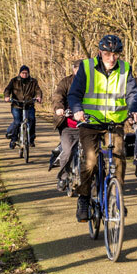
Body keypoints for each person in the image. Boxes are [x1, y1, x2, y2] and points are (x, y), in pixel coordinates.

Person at [68, 35, 137, 222]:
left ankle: (116, 199)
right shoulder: (86, 67)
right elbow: (74, 94)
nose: (111, 58)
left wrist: (134, 110)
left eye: (115, 54)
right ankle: (84, 198)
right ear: (100, 52)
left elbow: (133, 93)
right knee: (91, 161)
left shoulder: (125, 69)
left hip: (114, 124)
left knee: (118, 160)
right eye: (107, 54)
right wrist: (77, 110)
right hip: (90, 123)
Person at [52, 60, 82, 191]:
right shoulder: (65, 82)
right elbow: (58, 95)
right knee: (68, 151)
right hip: (68, 126)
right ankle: (63, 177)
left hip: (86, 126)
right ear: (73, 69)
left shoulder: (90, 83)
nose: (80, 71)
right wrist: (59, 108)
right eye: (77, 69)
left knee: (93, 154)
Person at [4, 65, 42, 148]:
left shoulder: (33, 81)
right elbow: (8, 89)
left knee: (32, 120)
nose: (24, 74)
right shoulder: (14, 81)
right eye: (23, 73)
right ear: (20, 73)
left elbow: (38, 90)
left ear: (28, 73)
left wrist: (39, 97)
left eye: (26, 73)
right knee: (17, 122)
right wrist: (7, 96)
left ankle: (31, 139)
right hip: (16, 105)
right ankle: (13, 140)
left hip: (29, 104)